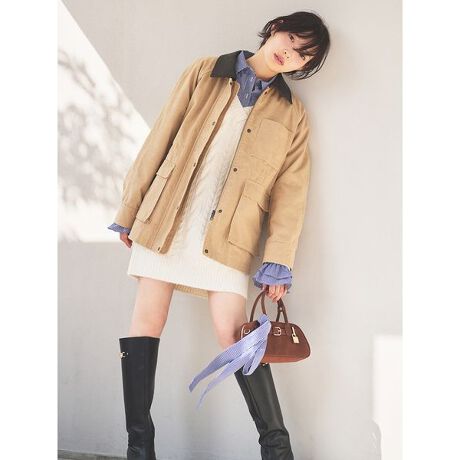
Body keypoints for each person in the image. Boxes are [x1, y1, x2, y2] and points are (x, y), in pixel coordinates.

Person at [109, 11, 330, 460]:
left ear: (302, 67)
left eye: (302, 55)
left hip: (231, 235)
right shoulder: (205, 71)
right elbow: (160, 138)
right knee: (146, 323)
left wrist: (279, 259)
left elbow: (291, 192)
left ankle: (277, 449)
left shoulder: (292, 114)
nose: (289, 53)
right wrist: (130, 210)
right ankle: (139, 447)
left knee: (235, 336)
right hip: (168, 219)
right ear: (275, 29)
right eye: (290, 38)